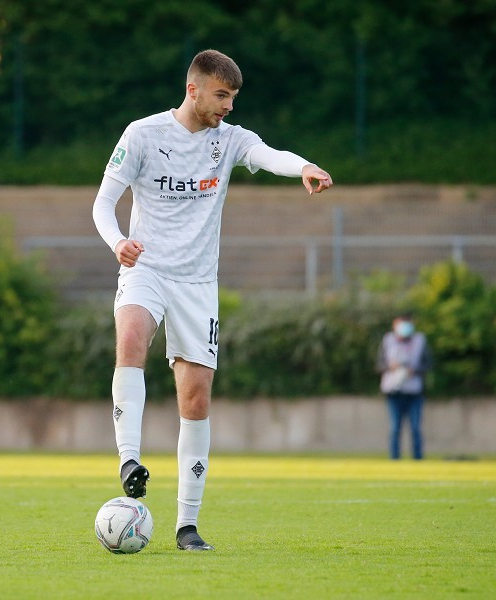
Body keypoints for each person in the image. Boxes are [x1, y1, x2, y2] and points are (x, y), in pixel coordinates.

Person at [92, 49, 333, 551]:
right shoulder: (143, 134)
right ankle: (128, 459)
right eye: (222, 95)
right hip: (146, 267)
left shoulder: (231, 141)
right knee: (131, 337)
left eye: (233, 97)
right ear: (194, 89)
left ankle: (187, 526)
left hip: (198, 283)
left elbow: (270, 155)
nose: (228, 106)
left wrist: (304, 166)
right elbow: (102, 202)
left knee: (196, 397)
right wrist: (119, 242)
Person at [376, 312, 432, 460]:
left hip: (414, 392)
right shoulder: (387, 340)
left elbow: (428, 364)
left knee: (415, 428)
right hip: (394, 392)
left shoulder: (420, 341)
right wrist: (391, 367)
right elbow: (379, 364)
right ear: (394, 325)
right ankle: (394, 458)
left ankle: (418, 458)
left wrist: (415, 371)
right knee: (395, 428)